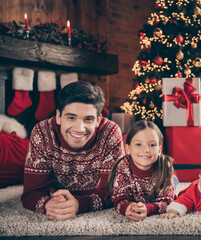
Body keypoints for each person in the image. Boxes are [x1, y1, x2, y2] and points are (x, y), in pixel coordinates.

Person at [21, 80, 125, 221]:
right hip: (56, 197)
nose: (79, 128)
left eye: (88, 119)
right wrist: (48, 204)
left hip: (93, 197)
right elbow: (31, 193)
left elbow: (115, 192)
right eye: (71, 117)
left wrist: (79, 204)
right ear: (58, 116)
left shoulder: (111, 132)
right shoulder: (42, 132)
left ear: (98, 120)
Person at [108, 120, 175, 221]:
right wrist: (128, 207)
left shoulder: (165, 166)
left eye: (152, 145)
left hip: (161, 182)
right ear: (128, 149)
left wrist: (148, 209)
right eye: (138, 144)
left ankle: (175, 181)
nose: (146, 150)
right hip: (134, 197)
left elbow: (167, 202)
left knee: (177, 191)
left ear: (159, 150)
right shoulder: (123, 166)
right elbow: (119, 199)